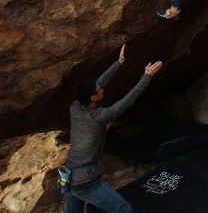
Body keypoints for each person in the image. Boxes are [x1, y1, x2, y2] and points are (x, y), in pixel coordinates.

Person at [64, 44, 163, 213]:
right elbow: (126, 102)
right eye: (99, 89)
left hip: (68, 176)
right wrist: (146, 77)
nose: (102, 87)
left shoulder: (75, 108)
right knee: (124, 209)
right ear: (94, 98)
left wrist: (118, 63)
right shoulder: (99, 116)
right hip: (85, 181)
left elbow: (98, 82)